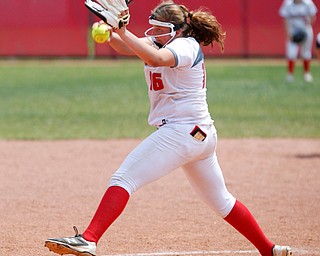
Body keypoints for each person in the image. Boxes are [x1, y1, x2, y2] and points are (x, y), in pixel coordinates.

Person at [45, 1, 293, 256]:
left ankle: (89, 238)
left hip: (181, 131)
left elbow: (155, 58)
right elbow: (128, 46)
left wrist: (122, 30)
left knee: (123, 178)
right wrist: (112, 33)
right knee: (222, 200)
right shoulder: (164, 41)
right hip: (198, 134)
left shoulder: (185, 46)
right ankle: (269, 249)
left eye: (159, 28)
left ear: (176, 29)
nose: (152, 33)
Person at [279, 0, 318, 83]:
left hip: (305, 30)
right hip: (292, 31)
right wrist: (288, 33)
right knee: (291, 53)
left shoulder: (308, 3)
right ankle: (290, 75)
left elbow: (313, 16)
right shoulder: (288, 3)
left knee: (306, 53)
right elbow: (285, 19)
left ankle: (307, 74)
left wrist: (307, 27)